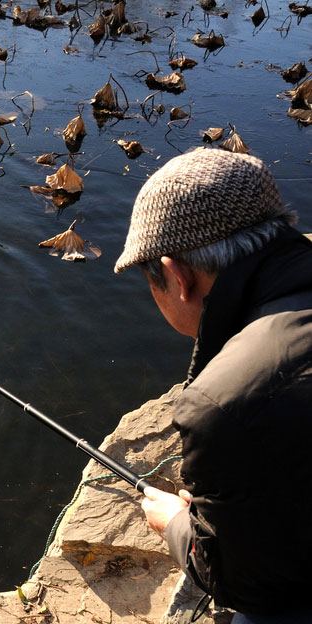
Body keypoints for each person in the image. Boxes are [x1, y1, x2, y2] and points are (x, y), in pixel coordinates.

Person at [114, 148, 312, 623]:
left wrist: (180, 524)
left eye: (149, 276)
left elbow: (245, 583)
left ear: (178, 276)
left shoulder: (224, 403)